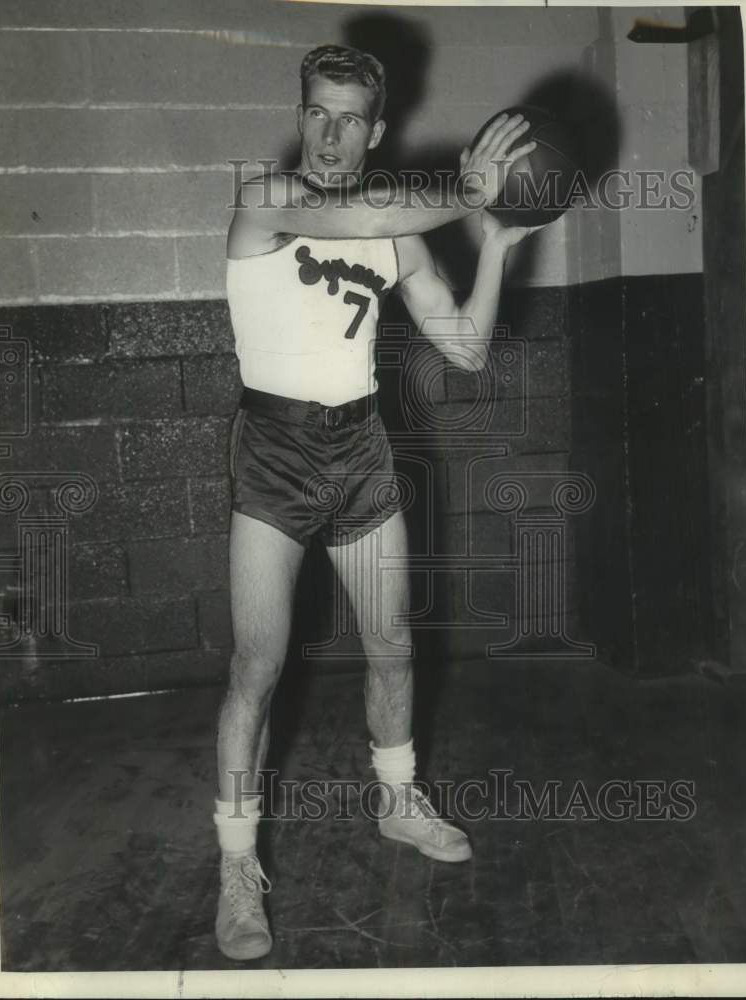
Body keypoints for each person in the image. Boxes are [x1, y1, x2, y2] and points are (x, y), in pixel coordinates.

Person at [214, 44, 539, 961]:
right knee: (257, 667)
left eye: (349, 117)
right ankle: (237, 865)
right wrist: (469, 192)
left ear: (374, 130)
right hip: (272, 454)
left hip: (360, 449)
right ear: (301, 113)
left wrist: (497, 247)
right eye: (318, 111)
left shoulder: (400, 229)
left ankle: (398, 803)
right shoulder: (266, 199)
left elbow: (467, 348)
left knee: (394, 646)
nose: (330, 132)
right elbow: (355, 211)